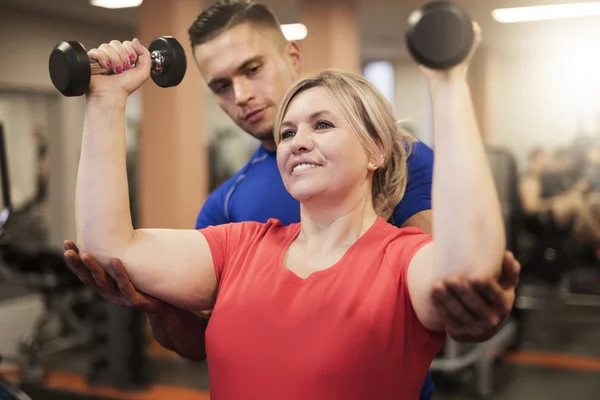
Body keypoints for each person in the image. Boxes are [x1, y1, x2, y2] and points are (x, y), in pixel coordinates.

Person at [65, 1, 520, 398]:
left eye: (322, 125)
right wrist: (105, 102)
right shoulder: (236, 236)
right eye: (288, 132)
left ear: (377, 150)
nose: (241, 96)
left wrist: (447, 80)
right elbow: (117, 255)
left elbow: (460, 275)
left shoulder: (399, 242)